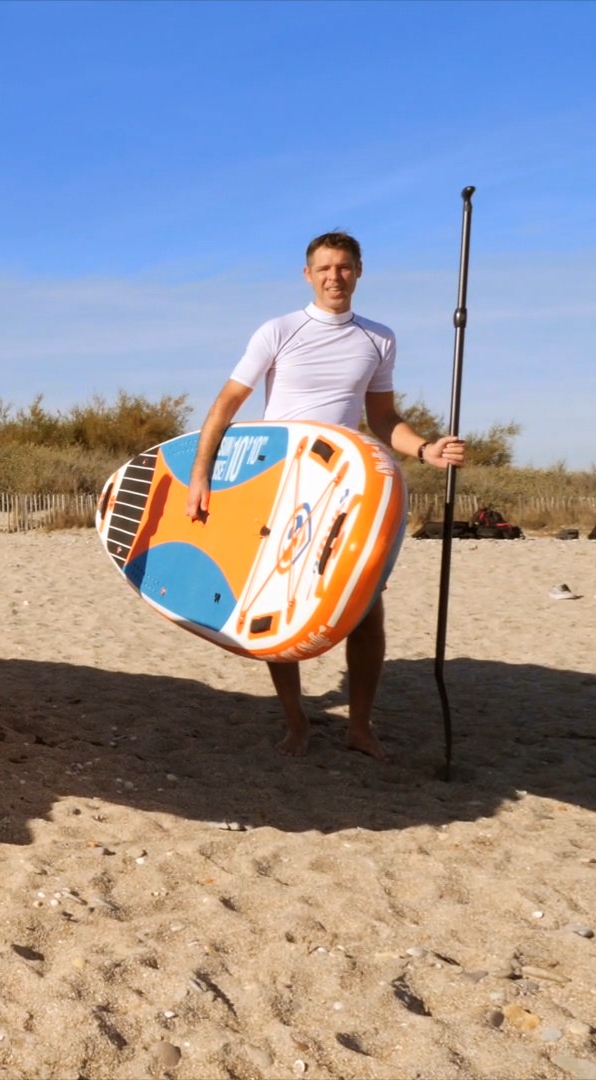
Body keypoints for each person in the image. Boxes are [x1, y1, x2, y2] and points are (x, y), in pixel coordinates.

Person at [186, 232, 465, 759]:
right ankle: (297, 724)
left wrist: (425, 448)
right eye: (324, 268)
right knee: (278, 606)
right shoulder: (279, 331)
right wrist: (202, 477)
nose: (334, 276)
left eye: (343, 267)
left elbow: (382, 418)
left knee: (366, 610)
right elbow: (226, 404)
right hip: (281, 484)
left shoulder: (378, 338)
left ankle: (360, 728)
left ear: (359, 271)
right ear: (307, 275)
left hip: (343, 486)